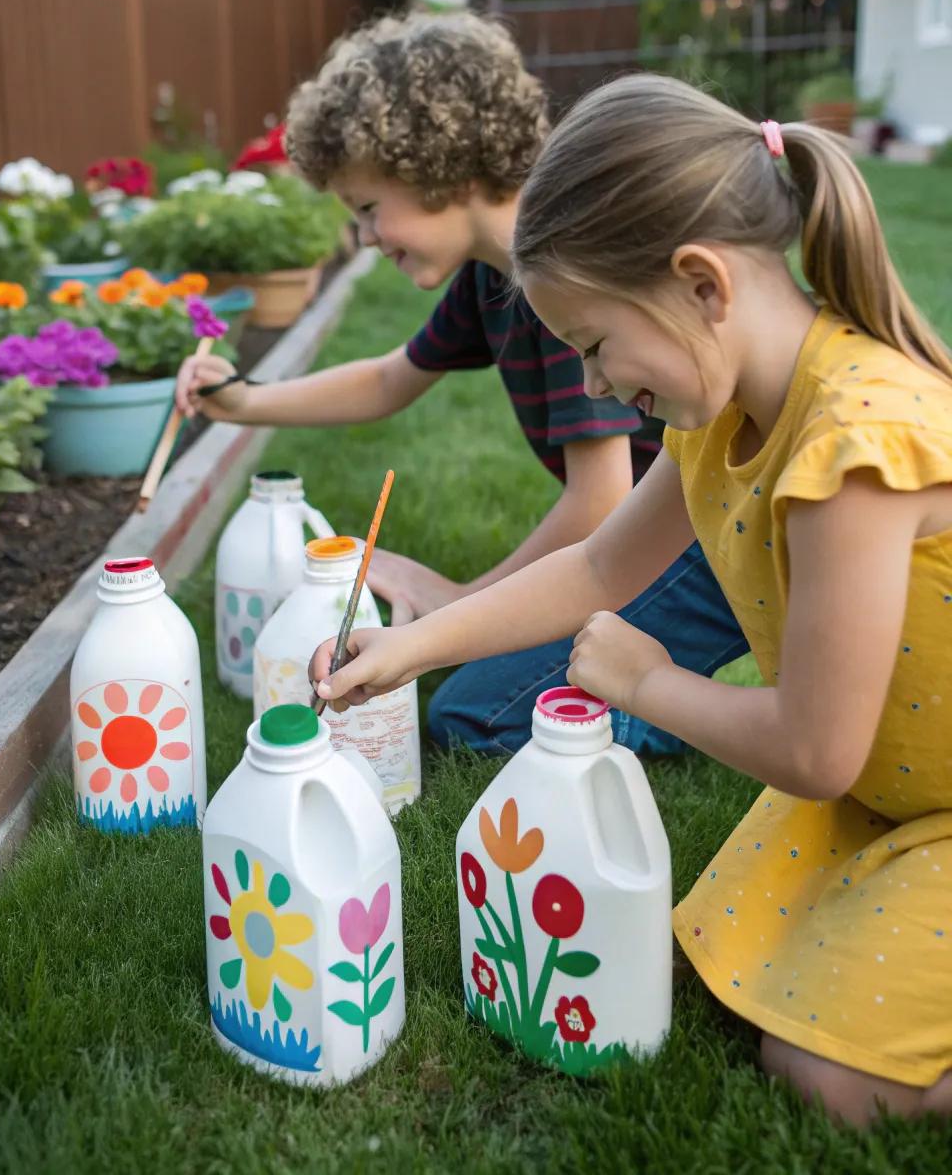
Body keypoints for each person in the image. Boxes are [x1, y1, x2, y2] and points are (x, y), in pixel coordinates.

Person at [312, 73, 952, 1126]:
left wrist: (644, 682)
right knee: (708, 958)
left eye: (596, 348)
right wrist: (412, 650)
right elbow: (601, 570)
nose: (598, 387)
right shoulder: (718, 412)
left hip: (882, 784)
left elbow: (814, 750)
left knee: (828, 1079)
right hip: (886, 794)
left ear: (701, 284)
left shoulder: (854, 449)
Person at [178, 15, 749, 755]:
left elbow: (599, 507)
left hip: (686, 542)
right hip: (648, 533)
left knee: (473, 716)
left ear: (441, 167)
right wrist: (245, 400)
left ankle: (688, 711)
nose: (367, 236)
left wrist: (457, 603)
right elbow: (390, 379)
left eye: (368, 209)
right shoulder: (491, 275)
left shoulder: (560, 287)